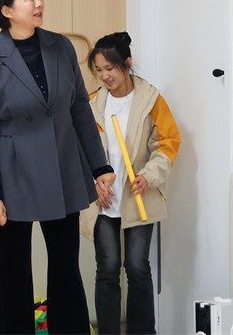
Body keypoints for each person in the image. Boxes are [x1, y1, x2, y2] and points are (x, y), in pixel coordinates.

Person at [0, 0, 116, 334]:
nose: (39, 3)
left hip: (62, 170)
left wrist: (99, 166)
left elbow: (79, 109)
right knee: (15, 273)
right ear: (6, 10)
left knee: (66, 268)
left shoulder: (61, 47)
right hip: (12, 177)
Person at [80, 32, 181, 335]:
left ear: (127, 63)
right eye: (99, 70)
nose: (104, 76)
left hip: (138, 196)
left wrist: (148, 175)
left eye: (110, 68)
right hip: (104, 200)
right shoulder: (92, 104)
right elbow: (79, 150)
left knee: (137, 267)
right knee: (107, 269)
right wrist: (93, 183)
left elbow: (169, 142)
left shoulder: (151, 100)